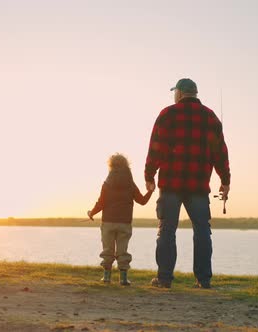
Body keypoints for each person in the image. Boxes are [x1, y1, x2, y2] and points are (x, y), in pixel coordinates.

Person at [145, 78, 231, 289]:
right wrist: (225, 180)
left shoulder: (167, 114)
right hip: (198, 186)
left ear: (180, 93)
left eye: (175, 92)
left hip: (171, 184)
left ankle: (164, 279)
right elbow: (220, 152)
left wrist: (149, 175)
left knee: (167, 230)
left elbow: (155, 147)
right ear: (195, 93)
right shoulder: (210, 117)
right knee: (202, 231)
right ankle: (203, 279)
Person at [87, 153, 154, 285]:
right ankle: (123, 279)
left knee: (107, 250)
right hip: (125, 223)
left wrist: (91, 213)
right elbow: (142, 201)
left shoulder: (107, 183)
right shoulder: (130, 184)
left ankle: (106, 277)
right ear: (126, 166)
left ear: (111, 166)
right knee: (123, 251)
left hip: (108, 222)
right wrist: (150, 191)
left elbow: (101, 203)